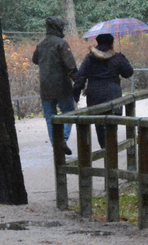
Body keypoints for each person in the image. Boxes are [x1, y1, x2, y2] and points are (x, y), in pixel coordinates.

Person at [73, 32, 135, 149]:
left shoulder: (89, 58)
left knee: (99, 125)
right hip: (113, 96)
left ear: (97, 42)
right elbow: (128, 73)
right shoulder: (117, 58)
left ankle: (104, 149)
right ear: (111, 43)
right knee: (112, 125)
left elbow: (80, 77)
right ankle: (111, 152)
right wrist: (123, 58)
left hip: (94, 96)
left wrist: (75, 95)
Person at [31, 16, 78, 156]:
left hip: (45, 88)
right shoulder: (61, 44)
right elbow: (71, 66)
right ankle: (62, 139)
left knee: (50, 117)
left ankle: (55, 144)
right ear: (59, 28)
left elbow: (34, 59)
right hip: (62, 87)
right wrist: (79, 82)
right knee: (69, 113)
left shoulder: (41, 45)